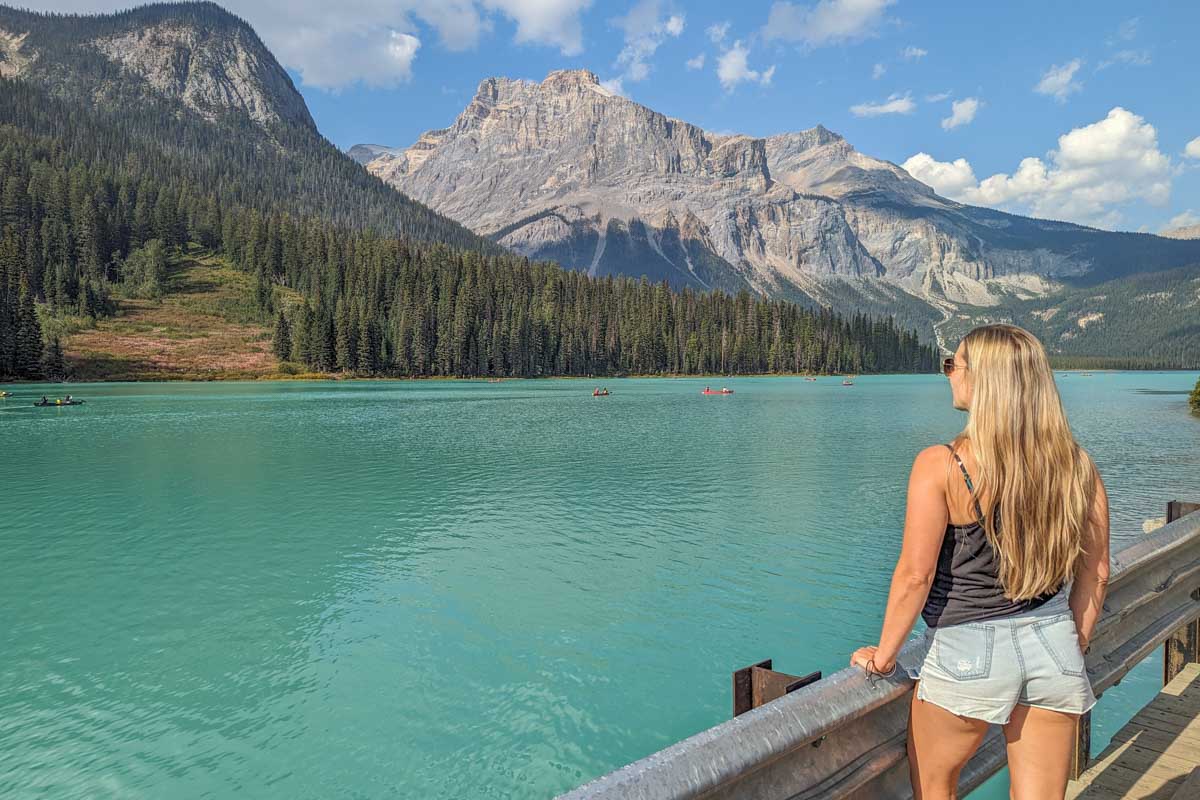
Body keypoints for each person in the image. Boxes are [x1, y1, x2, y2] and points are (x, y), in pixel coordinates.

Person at [849, 324, 1109, 800]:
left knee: (935, 788)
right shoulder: (1078, 466)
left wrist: (884, 657)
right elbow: (1097, 573)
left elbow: (915, 575)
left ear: (984, 380)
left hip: (966, 651)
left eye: (954, 363)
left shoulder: (942, 464)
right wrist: (1072, 643)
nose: (947, 373)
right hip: (1052, 643)